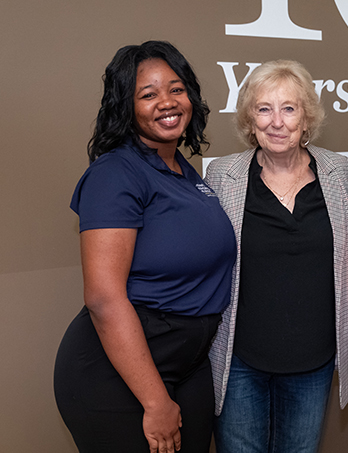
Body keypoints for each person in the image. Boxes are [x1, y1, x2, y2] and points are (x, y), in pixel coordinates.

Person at [54, 41, 237, 453]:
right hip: (118, 373)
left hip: (188, 363)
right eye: (148, 94)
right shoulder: (115, 174)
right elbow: (103, 298)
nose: (167, 103)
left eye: (175, 89)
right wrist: (155, 401)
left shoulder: (184, 171)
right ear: (126, 107)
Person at [204, 60, 348, 453]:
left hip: (313, 360)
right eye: (264, 108)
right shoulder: (223, 177)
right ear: (249, 119)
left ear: (306, 118)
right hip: (240, 360)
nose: (277, 122)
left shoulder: (339, 174)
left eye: (289, 108)